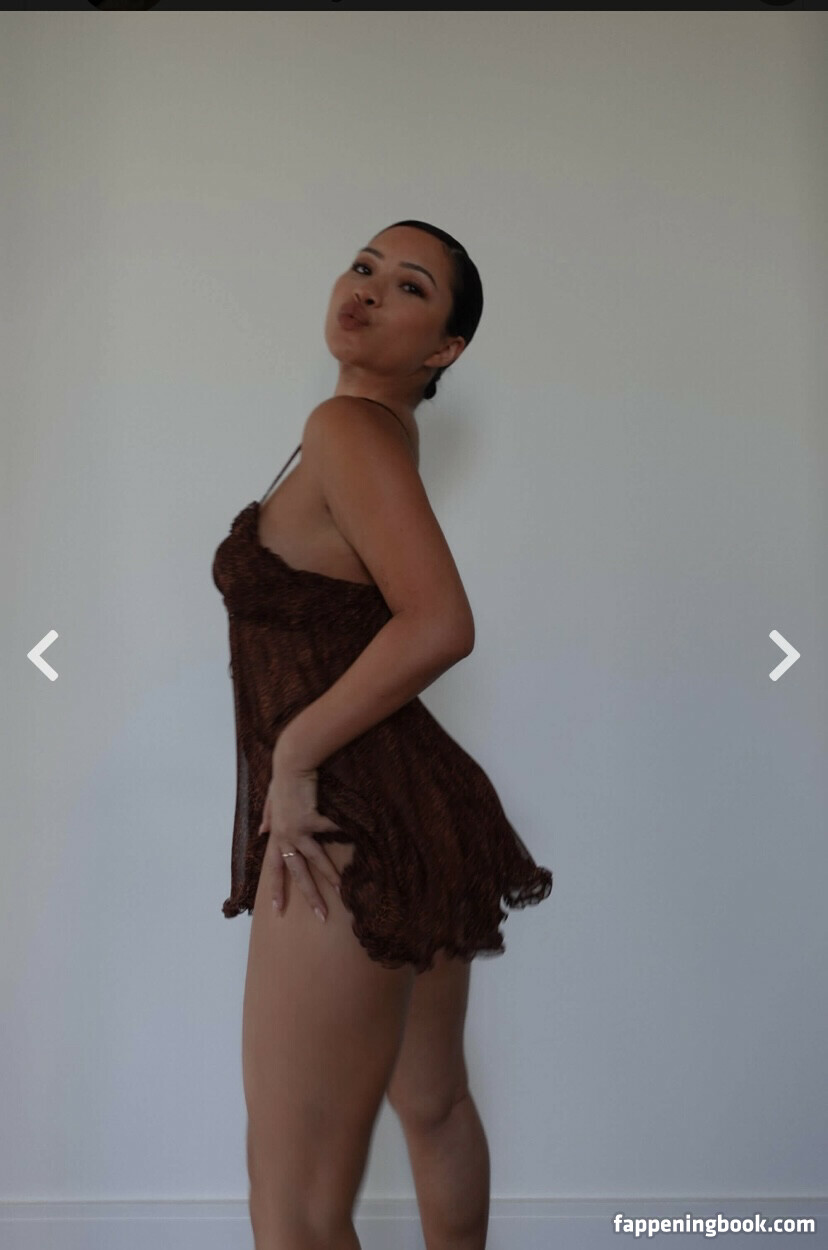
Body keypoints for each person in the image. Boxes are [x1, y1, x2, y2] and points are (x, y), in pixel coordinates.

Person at [212, 220, 553, 1250]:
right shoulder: (372, 434)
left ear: (444, 348)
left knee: (294, 1201)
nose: (365, 288)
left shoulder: (346, 429)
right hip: (420, 812)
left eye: (408, 286)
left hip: (346, 821)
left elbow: (440, 621)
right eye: (364, 265)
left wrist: (295, 756)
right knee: (434, 1105)